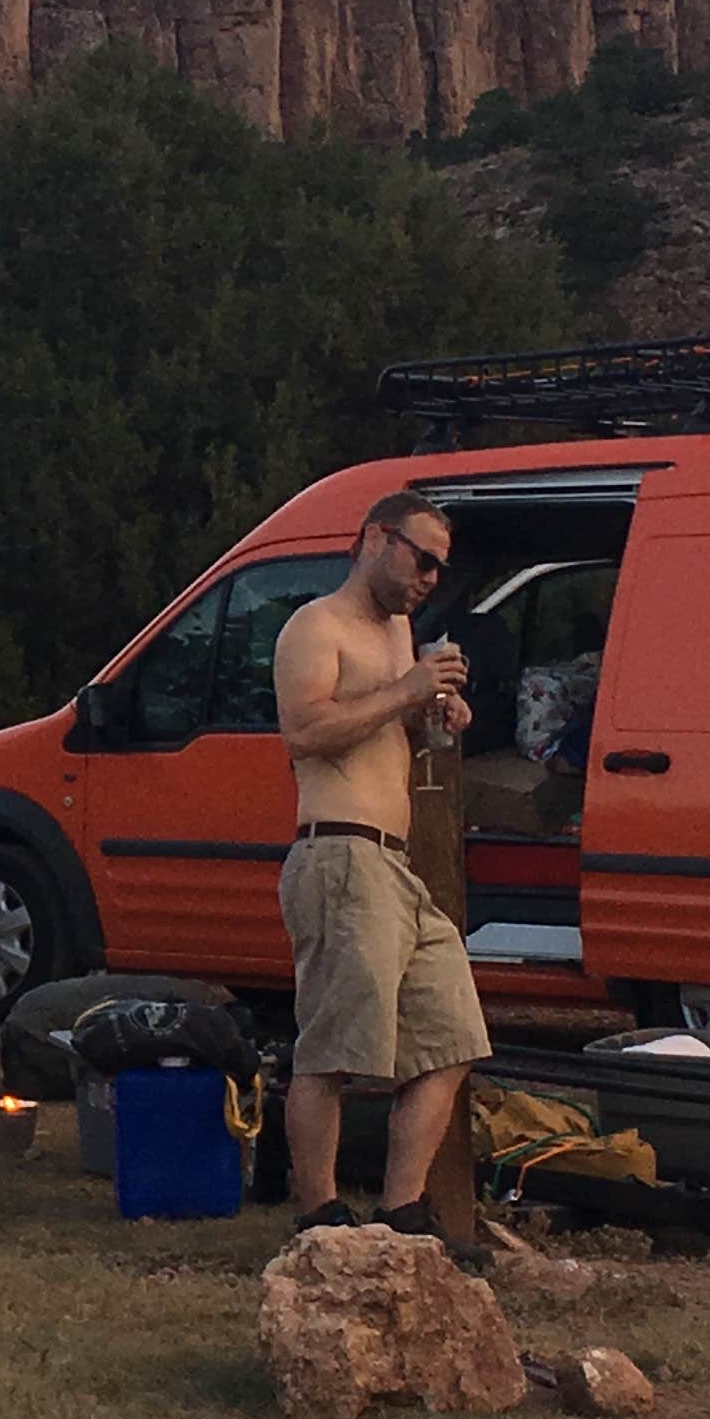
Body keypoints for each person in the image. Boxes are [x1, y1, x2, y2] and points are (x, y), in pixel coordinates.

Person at [271, 488, 486, 1232]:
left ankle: (403, 1211)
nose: (429, 577)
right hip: (338, 853)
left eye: (439, 567)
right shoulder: (315, 625)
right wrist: (405, 690)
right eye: (420, 557)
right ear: (374, 538)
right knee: (331, 1051)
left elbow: (390, 734)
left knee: (453, 1035)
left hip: (396, 867)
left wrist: (434, 717)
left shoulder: (402, 635)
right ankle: (322, 1217)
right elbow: (305, 732)